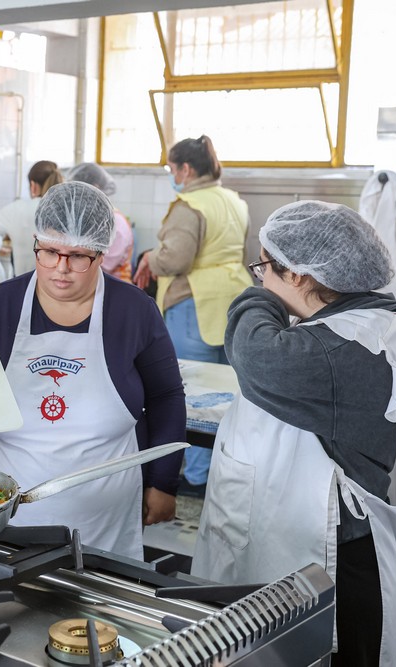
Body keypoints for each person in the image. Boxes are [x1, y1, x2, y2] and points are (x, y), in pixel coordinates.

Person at [191, 201, 396, 666]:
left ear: (300, 276)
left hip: (336, 563)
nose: (260, 276)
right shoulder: (361, 320)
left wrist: (256, 294)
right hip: (313, 545)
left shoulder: (345, 346)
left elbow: (259, 356)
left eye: (264, 266)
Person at [0, 181, 186, 561]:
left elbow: (165, 396)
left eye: (78, 256)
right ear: (35, 243)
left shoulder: (133, 311)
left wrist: (163, 482)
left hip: (106, 516)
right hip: (6, 508)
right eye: (50, 252)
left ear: (101, 253)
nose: (61, 269)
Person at [133, 135, 251, 497]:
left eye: (171, 168)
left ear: (185, 168)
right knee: (228, 393)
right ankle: (224, 475)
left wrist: (149, 258)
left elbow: (176, 259)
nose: (172, 175)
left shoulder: (190, 204)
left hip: (194, 301)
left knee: (196, 393)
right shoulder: (232, 200)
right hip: (234, 296)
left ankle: (198, 480)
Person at [0, 160, 64, 276]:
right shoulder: (68, 209)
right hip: (62, 282)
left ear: (33, 186)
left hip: (27, 283)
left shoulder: (18, 208)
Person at [66, 162, 134, 282]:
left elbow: (105, 266)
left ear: (95, 188)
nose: (74, 197)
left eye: (78, 191)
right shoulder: (92, 217)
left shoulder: (115, 222)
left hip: (115, 289)